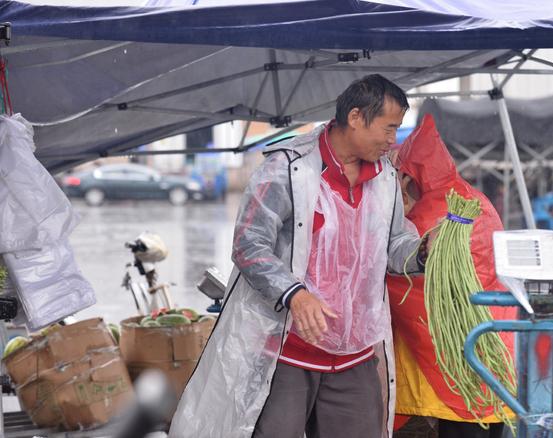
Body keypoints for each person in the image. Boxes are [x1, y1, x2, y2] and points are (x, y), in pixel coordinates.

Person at [169, 74, 426, 438]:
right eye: (388, 128)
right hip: (286, 351)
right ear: (355, 117)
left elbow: (394, 245)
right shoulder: (287, 168)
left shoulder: (385, 178)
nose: (392, 140)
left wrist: (422, 253)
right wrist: (296, 294)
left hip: (355, 353)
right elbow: (248, 244)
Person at [387, 114, 516, 438]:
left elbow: (398, 278)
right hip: (496, 343)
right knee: (490, 419)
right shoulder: (475, 200)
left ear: (408, 176)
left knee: (462, 421)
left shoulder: (427, 215)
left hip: (456, 356)